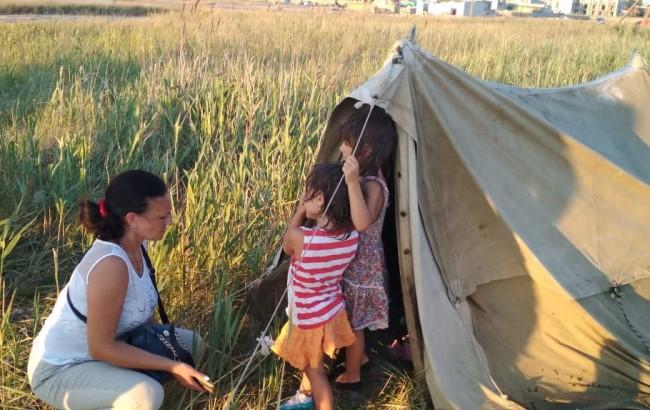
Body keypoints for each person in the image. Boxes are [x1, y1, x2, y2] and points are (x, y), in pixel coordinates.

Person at [28, 170, 207, 410]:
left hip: (114, 343)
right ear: (132, 219)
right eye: (162, 216)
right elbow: (100, 347)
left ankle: (121, 386)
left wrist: (171, 349)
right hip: (62, 368)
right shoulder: (111, 266)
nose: (170, 222)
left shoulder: (138, 244)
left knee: (193, 345)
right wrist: (171, 365)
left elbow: (138, 311)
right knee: (146, 396)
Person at [272, 163, 360, 410]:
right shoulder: (352, 236)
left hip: (308, 317)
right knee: (316, 359)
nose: (303, 198)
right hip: (331, 309)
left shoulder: (303, 238)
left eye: (307, 193)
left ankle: (322, 404)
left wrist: (300, 210)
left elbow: (287, 244)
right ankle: (305, 396)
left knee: (315, 372)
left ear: (320, 199)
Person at [334, 105, 397, 390]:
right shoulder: (364, 180)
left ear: (367, 150)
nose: (342, 148)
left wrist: (350, 182)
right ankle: (356, 359)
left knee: (355, 324)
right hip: (355, 264)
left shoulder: (374, 185)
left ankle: (353, 373)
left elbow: (362, 223)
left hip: (364, 267)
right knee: (349, 318)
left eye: (348, 143)